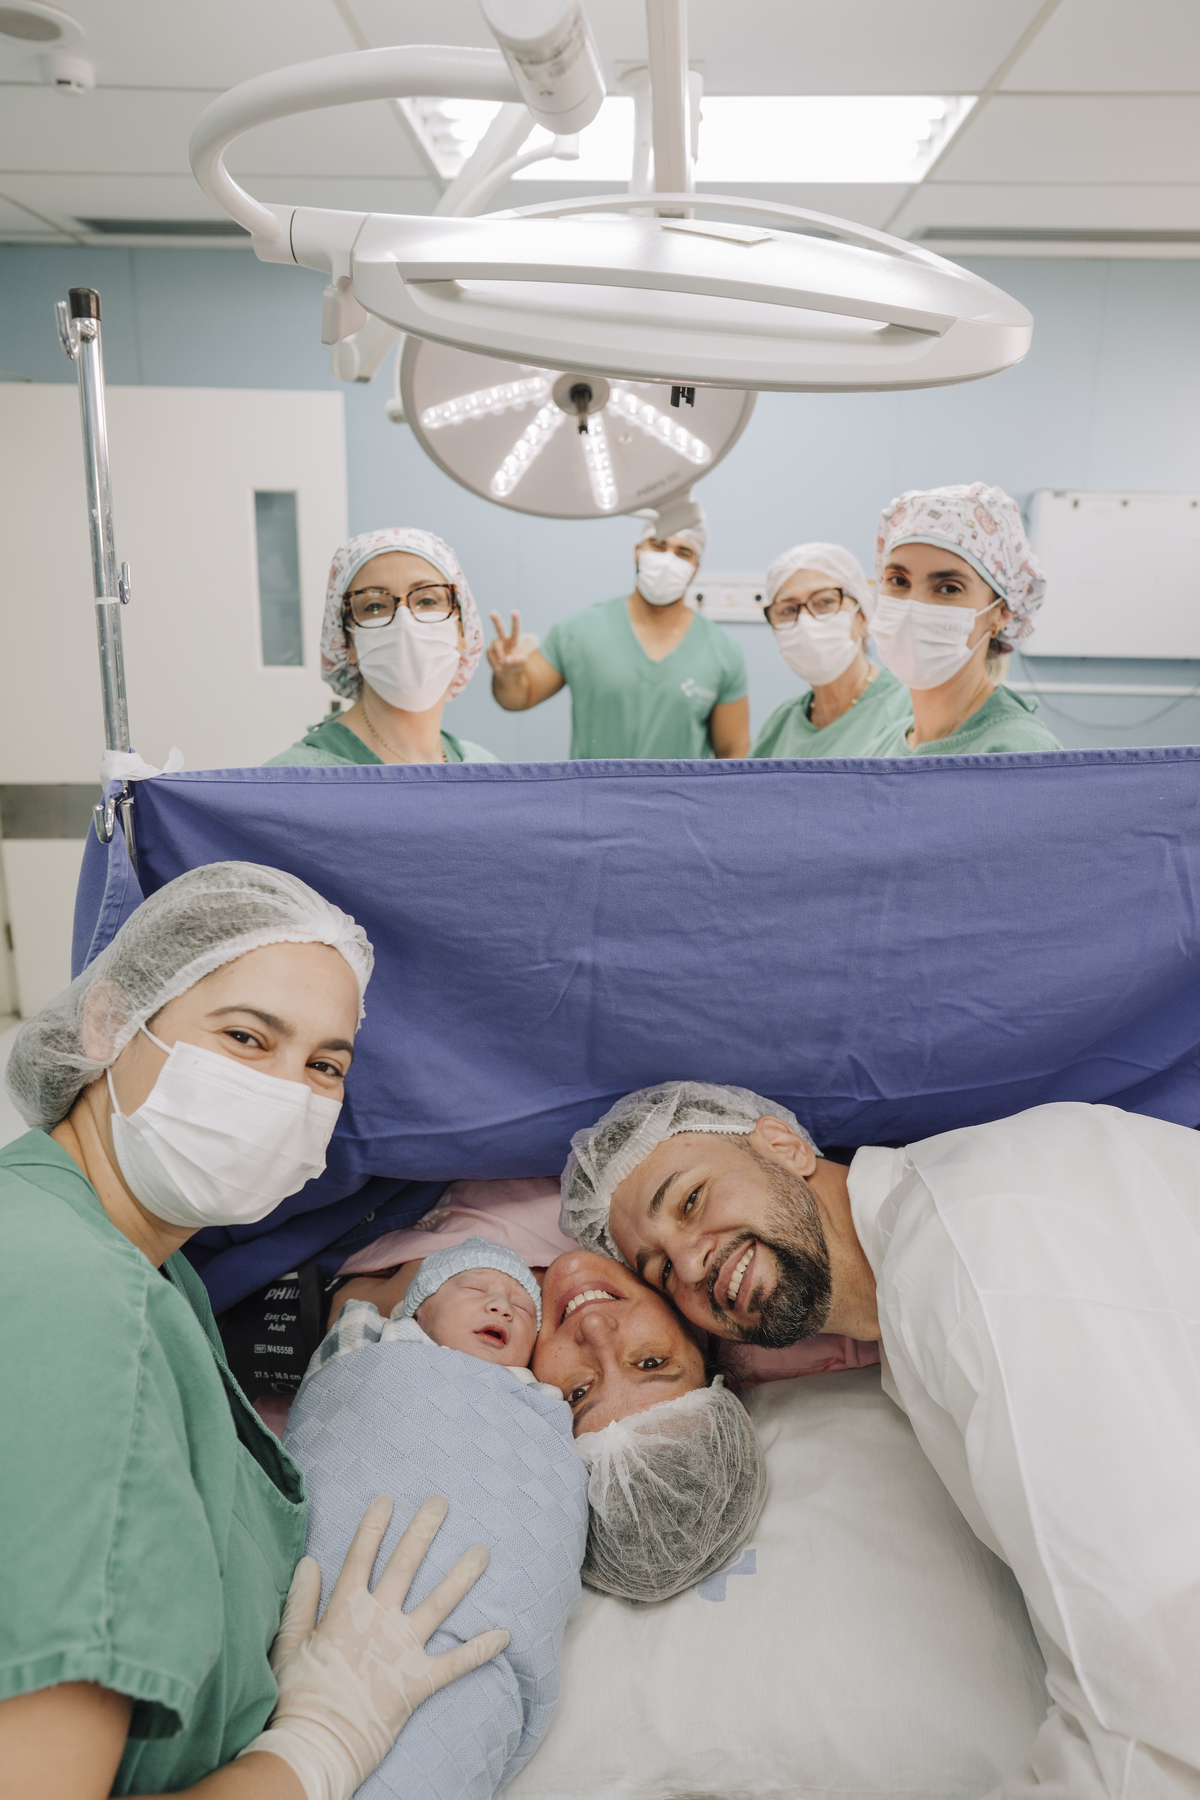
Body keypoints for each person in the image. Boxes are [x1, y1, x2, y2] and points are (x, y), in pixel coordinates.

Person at [0, 862, 507, 1799]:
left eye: (324, 1066)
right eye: (245, 1037)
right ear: (110, 1022)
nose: (286, 1093)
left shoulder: (133, 1269)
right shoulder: (84, 1308)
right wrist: (312, 1752)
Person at [560, 1079, 1200, 1795]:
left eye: (690, 1200)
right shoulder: (921, 1295)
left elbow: (1163, 1705)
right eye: (658, 1271)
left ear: (784, 1145)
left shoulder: (964, 1251)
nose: (689, 1265)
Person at [487, 499, 751, 760]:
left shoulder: (723, 652)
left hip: (681, 791)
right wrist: (507, 676)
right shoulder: (579, 631)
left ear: (696, 567)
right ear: (637, 551)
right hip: (595, 790)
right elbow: (519, 697)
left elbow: (734, 751)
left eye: (683, 553)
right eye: (658, 545)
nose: (668, 561)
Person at [268, 527, 496, 767]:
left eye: (427, 600)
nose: (405, 623)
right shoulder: (296, 777)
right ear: (347, 643)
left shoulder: (484, 769)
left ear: (462, 630)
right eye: (374, 606)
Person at [870, 483, 1063, 756]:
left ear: (1001, 613)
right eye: (899, 581)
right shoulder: (883, 746)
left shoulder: (1017, 754)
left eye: (949, 588)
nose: (913, 606)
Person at [751, 542, 912, 757]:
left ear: (863, 617)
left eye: (825, 601)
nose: (805, 623)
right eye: (788, 609)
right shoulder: (778, 727)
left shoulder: (910, 709)